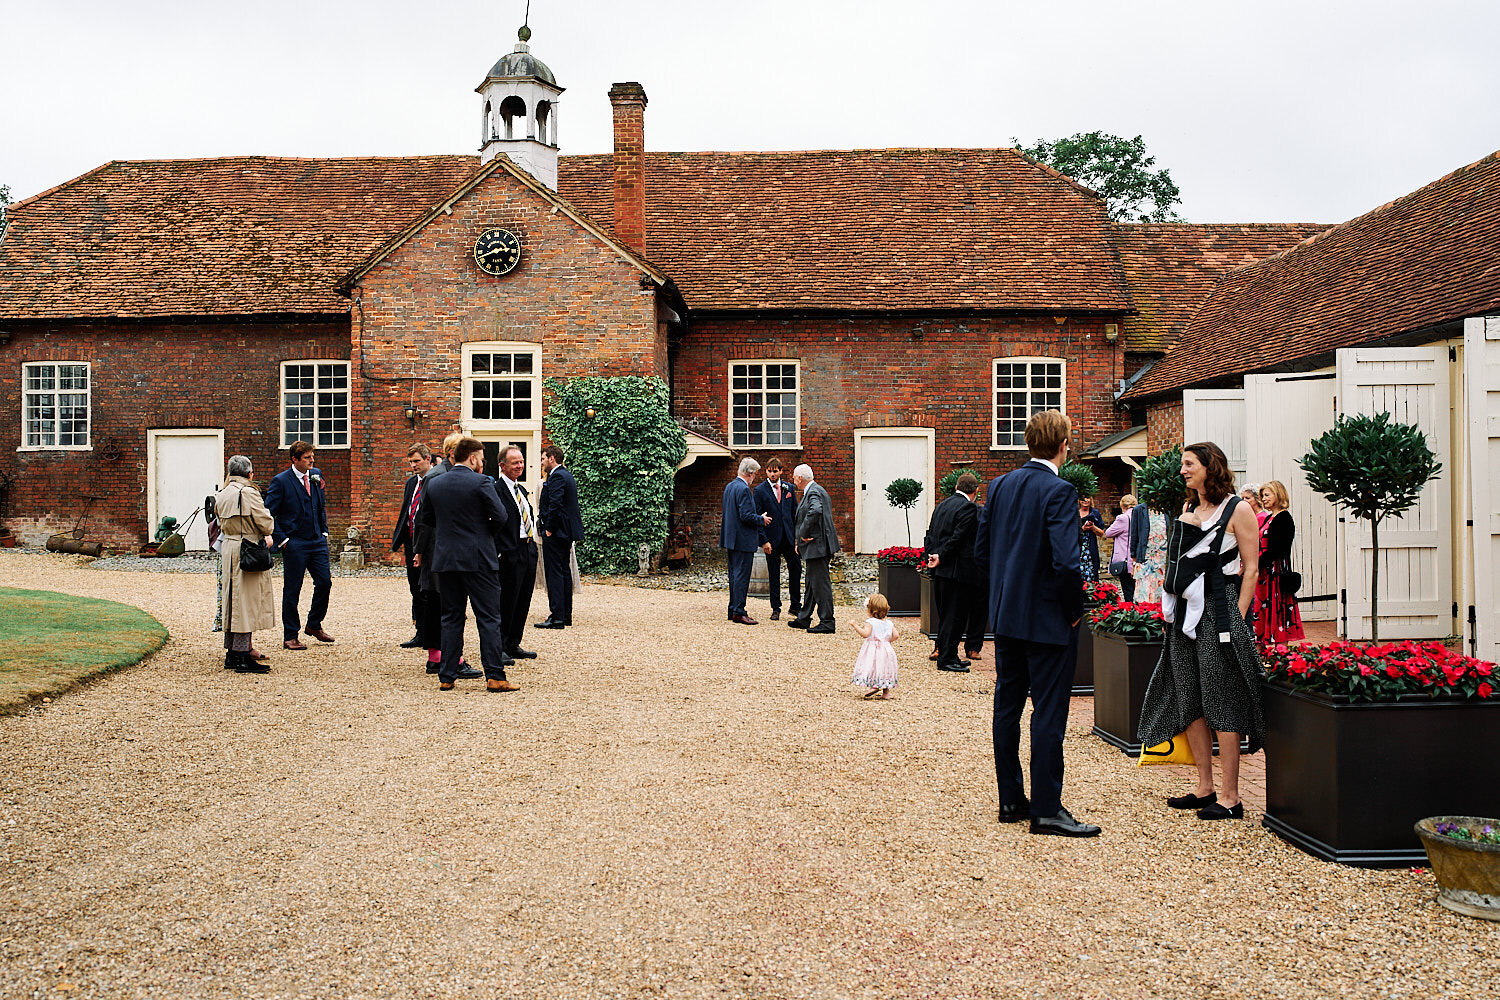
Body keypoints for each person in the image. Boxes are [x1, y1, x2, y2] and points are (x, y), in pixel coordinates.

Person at [977, 410, 1100, 838]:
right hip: (1048, 617)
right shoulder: (1060, 490)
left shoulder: (1000, 486)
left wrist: (1002, 596)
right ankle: (1047, 808)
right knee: (1049, 711)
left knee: (1007, 707)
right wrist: (1072, 610)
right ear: (1064, 445)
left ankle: (1010, 799)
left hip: (1007, 614)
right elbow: (1067, 562)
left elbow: (983, 551)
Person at [1138, 442, 1265, 821]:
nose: (1182, 470)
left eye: (1189, 464)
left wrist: (1238, 617)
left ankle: (1231, 796)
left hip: (1220, 609)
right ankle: (1204, 786)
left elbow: (1251, 568)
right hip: (1184, 614)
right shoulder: (1191, 509)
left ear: (1210, 467)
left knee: (1221, 696)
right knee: (1188, 695)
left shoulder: (1238, 509)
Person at [416, 436, 516, 692]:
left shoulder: (435, 484)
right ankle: (495, 675)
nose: (482, 463)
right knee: (488, 617)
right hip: (478, 558)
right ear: (472, 457)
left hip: (446, 558)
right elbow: (501, 516)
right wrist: (483, 534)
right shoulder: (481, 482)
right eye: (481, 458)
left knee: (450, 617)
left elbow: (426, 518)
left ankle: (447, 675)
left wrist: (452, 534)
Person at [265, 441, 334, 651]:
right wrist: (283, 540)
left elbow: (320, 504)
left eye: (312, 457)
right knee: (293, 589)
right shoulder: (281, 481)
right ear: (294, 460)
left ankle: (314, 624)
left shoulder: (315, 475)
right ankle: (290, 635)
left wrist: (324, 531)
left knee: (325, 583)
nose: (312, 461)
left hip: (317, 541)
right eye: (307, 458)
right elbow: (268, 513)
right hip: (294, 543)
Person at [213, 455, 275, 674]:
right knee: (246, 602)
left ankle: (231, 652)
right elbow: (266, 522)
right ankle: (241, 655)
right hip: (247, 546)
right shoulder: (248, 492)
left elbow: (219, 522)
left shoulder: (222, 493)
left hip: (229, 547)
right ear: (250, 473)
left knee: (232, 601)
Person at [924, 472, 984, 673]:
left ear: (957, 487)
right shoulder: (969, 507)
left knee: (946, 615)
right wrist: (940, 555)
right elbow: (959, 538)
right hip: (958, 571)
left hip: (941, 570)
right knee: (955, 616)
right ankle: (948, 658)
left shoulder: (941, 506)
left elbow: (930, 535)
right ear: (976, 491)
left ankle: (947, 653)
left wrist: (932, 556)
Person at [492, 444, 540, 660]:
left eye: (521, 461)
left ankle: (514, 643)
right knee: (507, 600)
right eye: (515, 463)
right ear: (502, 466)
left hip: (528, 549)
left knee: (523, 598)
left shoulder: (520, 490)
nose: (520, 466)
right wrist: (501, 551)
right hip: (510, 551)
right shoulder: (496, 489)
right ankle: (500, 646)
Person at [536, 444, 584, 629]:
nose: (542, 463)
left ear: (552, 458)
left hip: (557, 532)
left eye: (543, 459)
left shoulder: (557, 476)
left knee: (555, 573)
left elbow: (555, 505)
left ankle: (556, 617)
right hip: (565, 532)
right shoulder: (566, 474)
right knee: (564, 572)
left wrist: (549, 528)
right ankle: (565, 616)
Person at [391, 443, 434, 648]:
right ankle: (420, 632)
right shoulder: (411, 483)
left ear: (428, 459)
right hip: (411, 541)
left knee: (428, 589)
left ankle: (431, 635)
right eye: (410, 462)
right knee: (414, 588)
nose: (413, 465)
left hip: (430, 544)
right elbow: (407, 512)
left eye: (416, 461)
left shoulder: (435, 481)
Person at [721, 457, 772, 625]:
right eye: (755, 474)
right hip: (743, 540)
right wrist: (761, 519)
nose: (755, 477)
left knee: (734, 576)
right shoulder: (743, 489)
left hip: (731, 539)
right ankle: (739, 611)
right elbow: (745, 516)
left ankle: (733, 608)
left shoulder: (730, 487)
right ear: (750, 473)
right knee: (742, 577)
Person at [790, 463, 839, 634]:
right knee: (812, 583)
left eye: (794, 478)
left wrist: (803, 533)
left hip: (817, 546)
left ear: (800, 478)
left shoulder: (813, 492)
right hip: (817, 546)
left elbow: (816, 510)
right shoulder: (816, 490)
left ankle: (827, 621)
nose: (794, 481)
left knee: (821, 585)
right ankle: (804, 618)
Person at [1255, 480, 1305, 644]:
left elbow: (1278, 549)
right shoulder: (1269, 517)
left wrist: (1255, 565)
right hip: (1264, 573)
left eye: (1267, 495)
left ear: (1278, 495)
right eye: (1262, 496)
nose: (1264, 499)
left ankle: (1281, 655)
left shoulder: (1284, 518)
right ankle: (1263, 652)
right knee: (1262, 610)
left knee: (1278, 611)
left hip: (1275, 573)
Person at [753, 457, 801, 622]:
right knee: (774, 574)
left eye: (775, 471)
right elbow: (758, 518)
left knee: (796, 569)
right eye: (769, 471)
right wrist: (764, 541)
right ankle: (776, 608)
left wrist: (796, 538)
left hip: (788, 538)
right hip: (771, 540)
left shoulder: (789, 488)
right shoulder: (759, 491)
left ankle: (795, 606)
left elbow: (795, 513)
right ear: (766, 471)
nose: (772, 474)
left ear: (781, 471)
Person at [851, 592, 900, 699]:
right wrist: (886, 641)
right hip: (886, 649)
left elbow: (865, 634)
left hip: (873, 649)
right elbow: (896, 635)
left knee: (874, 666)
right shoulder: (889, 623)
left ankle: (874, 686)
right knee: (885, 667)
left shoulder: (871, 622)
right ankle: (886, 693)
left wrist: (855, 626)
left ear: (870, 609)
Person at [1103, 493, 1139, 602]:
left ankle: (1130, 613)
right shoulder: (1140, 517)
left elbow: (1108, 533)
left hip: (1125, 559)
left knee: (1128, 590)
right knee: (1135, 590)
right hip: (1137, 559)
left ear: (1123, 505)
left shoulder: (1123, 518)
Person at [1078, 496, 1106, 582]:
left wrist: (1093, 527)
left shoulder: (1095, 513)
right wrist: (1082, 529)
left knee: (1092, 572)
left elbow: (1101, 533)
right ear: (1079, 500)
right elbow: (1068, 532)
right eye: (1083, 498)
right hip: (1077, 546)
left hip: (1090, 547)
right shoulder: (1074, 512)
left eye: (1087, 498)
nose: (1085, 500)